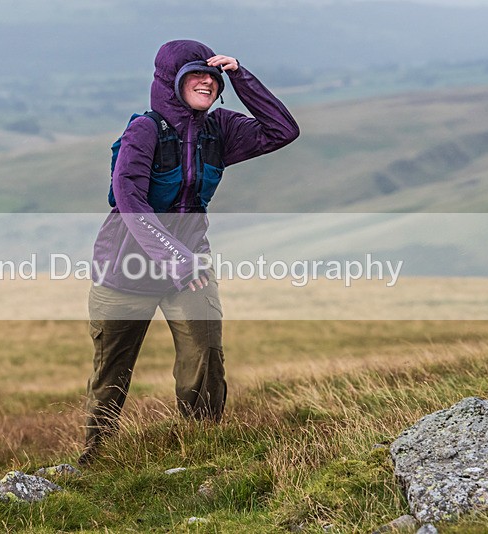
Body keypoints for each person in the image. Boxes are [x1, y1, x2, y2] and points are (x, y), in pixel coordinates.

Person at [80, 39, 299, 465]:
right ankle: (96, 460)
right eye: (194, 74)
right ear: (170, 82)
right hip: (125, 270)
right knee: (111, 375)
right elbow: (129, 200)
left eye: (212, 75)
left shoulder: (220, 130)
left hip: (190, 270)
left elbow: (282, 131)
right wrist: (175, 258)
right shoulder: (144, 131)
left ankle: (201, 452)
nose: (207, 81)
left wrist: (241, 76)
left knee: (205, 358)